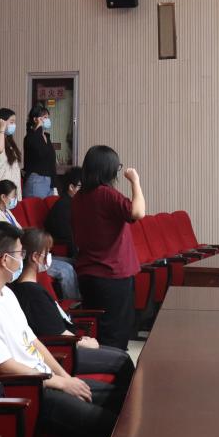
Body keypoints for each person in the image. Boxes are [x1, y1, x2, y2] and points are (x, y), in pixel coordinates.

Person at [0, 222, 125, 437]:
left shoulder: (5, 293)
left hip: (45, 379)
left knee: (121, 400)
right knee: (112, 426)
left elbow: (32, 341)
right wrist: (61, 383)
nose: (22, 259)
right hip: (27, 392)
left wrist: (66, 378)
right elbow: (4, 366)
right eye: (20, 253)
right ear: (5, 260)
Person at [10, 229, 134, 387]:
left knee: (121, 356)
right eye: (47, 252)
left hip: (69, 343)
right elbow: (56, 333)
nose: (50, 257)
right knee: (123, 360)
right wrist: (83, 342)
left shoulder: (30, 287)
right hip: (63, 352)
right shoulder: (31, 293)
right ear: (35, 257)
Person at [71, 145, 145, 351]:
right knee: (115, 333)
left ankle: (100, 367)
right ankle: (114, 368)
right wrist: (135, 182)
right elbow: (138, 212)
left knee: (97, 332)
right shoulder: (106, 194)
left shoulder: (78, 197)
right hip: (112, 274)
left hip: (88, 273)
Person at [45, 167, 82, 258]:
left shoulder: (74, 202)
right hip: (66, 251)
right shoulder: (63, 206)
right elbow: (67, 235)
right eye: (81, 186)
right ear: (71, 187)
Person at [23, 104, 56, 198]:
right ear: (35, 119)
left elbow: (51, 161)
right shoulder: (30, 137)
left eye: (48, 117)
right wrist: (38, 128)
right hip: (36, 180)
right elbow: (39, 152)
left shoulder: (47, 137)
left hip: (49, 180)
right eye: (44, 117)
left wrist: (54, 185)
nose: (47, 120)